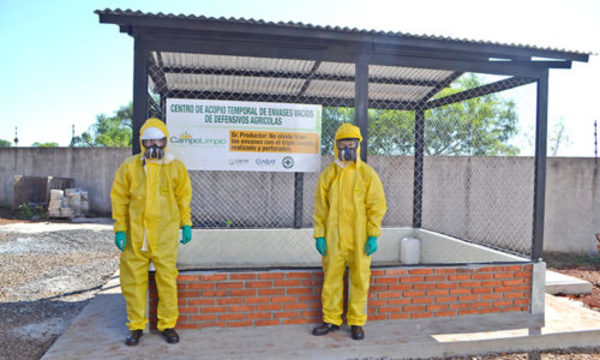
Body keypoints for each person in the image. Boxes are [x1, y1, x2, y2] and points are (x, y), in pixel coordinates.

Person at [111, 117, 192, 346]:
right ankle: (136, 326)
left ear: (165, 141)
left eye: (158, 140)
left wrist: (186, 223)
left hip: (164, 235)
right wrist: (120, 229)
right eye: (149, 141)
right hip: (136, 236)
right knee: (133, 282)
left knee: (167, 280)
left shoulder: (175, 166)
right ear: (142, 143)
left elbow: (183, 197)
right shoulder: (129, 166)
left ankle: (167, 325)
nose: (154, 145)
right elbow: (120, 199)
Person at [312, 123, 387, 340]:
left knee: (360, 279)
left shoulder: (367, 174)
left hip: (359, 237)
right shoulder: (328, 175)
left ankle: (356, 322)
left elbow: (377, 205)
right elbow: (320, 208)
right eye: (343, 143)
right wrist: (319, 234)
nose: (347, 147)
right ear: (336, 146)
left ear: (358, 146)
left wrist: (373, 234)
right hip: (333, 238)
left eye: (351, 143)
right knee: (331, 279)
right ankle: (331, 320)